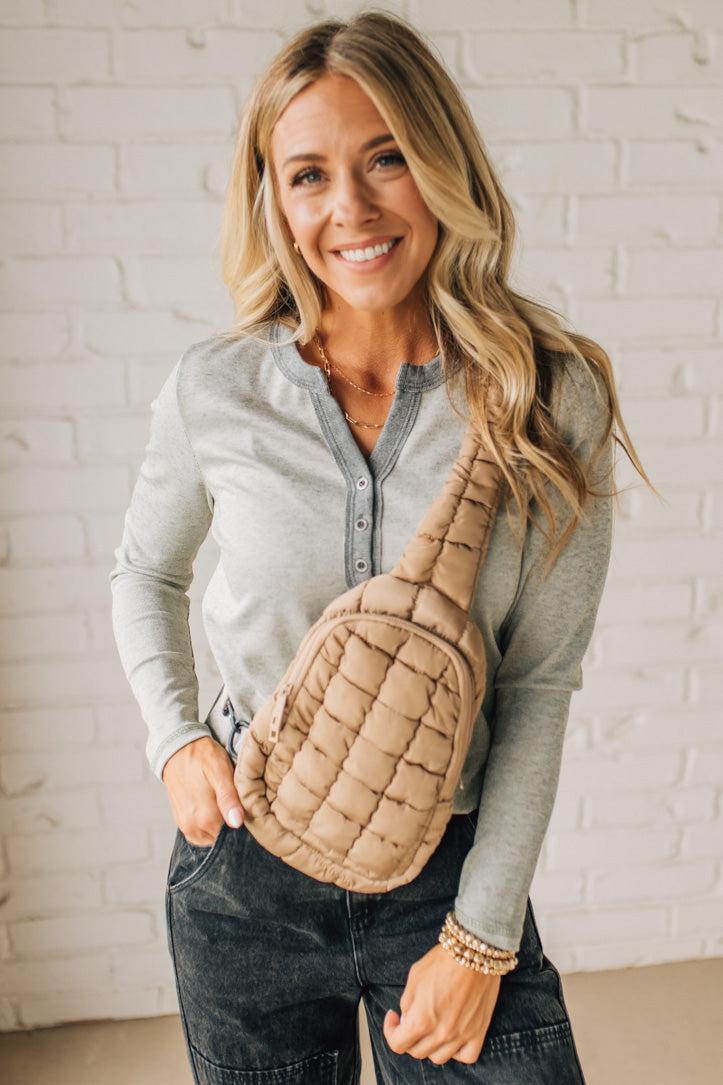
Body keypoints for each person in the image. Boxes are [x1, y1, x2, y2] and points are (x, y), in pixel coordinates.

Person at [109, 10, 655, 1084]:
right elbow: (146, 570)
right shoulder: (216, 388)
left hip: (448, 873)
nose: (350, 209)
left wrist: (481, 933)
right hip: (242, 875)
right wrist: (176, 737)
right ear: (273, 198)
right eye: (307, 175)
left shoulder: (546, 394)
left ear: (443, 164)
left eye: (387, 158)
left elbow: (540, 681)